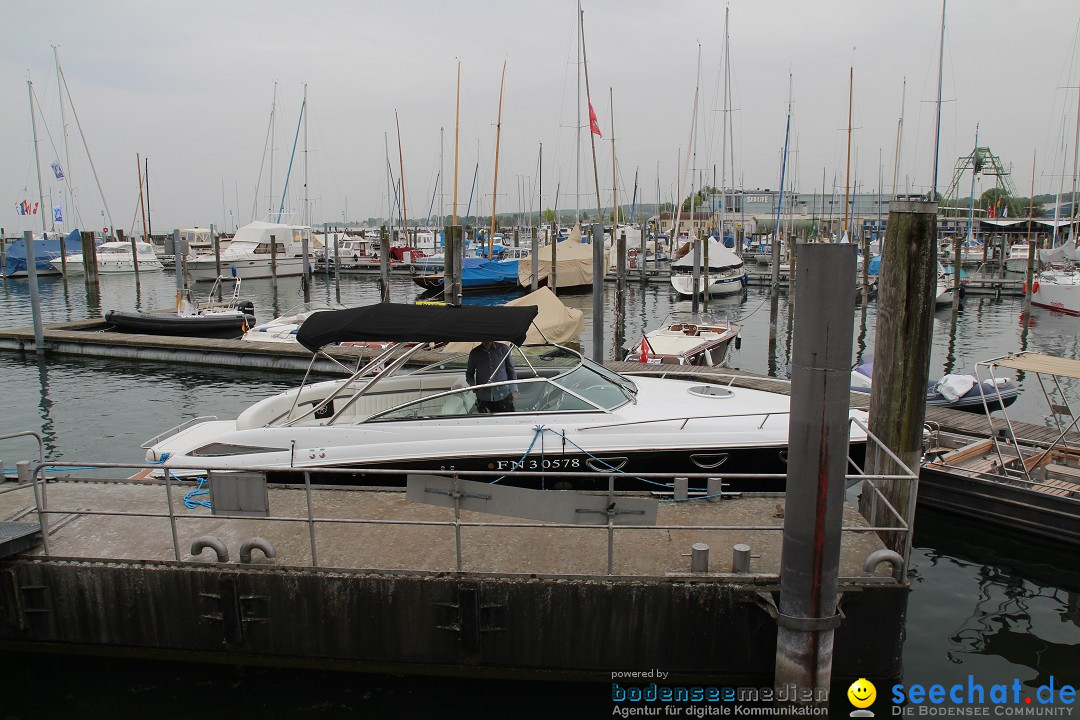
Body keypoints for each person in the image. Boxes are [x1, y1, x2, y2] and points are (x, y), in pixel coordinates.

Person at [466, 340, 517, 413]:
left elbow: (511, 370)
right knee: (485, 422)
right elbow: (469, 374)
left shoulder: (503, 349)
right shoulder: (474, 353)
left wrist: (514, 390)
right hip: (483, 396)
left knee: (506, 419)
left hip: (503, 394)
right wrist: (473, 385)